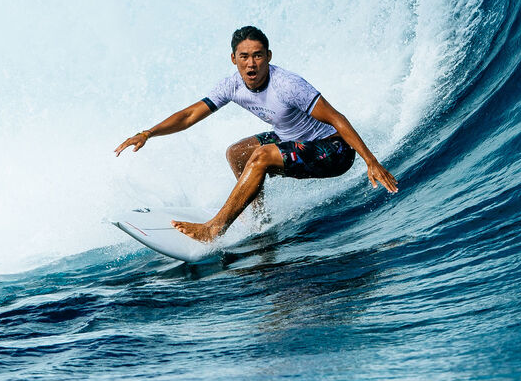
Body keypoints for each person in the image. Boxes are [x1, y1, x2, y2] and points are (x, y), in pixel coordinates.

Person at [114, 25, 399, 241]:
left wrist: (371, 161)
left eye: (258, 56)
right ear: (233, 59)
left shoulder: (288, 85)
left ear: (268, 56)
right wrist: (148, 133)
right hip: (293, 140)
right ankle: (261, 218)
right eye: (245, 57)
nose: (252, 64)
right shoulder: (232, 86)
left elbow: (337, 118)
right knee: (237, 153)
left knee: (261, 156)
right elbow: (189, 115)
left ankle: (215, 228)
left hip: (333, 150)